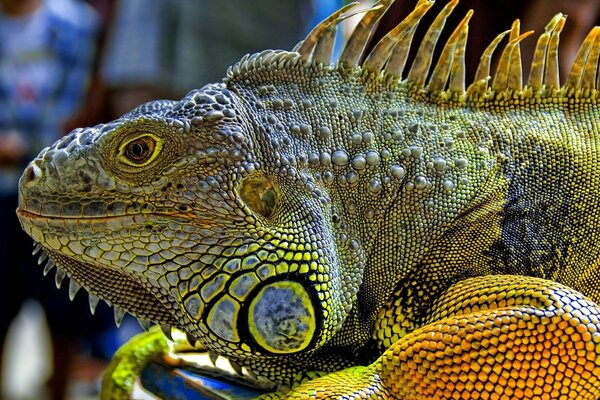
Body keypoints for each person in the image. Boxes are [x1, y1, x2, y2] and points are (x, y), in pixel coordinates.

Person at [0, 0, 103, 398]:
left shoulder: (80, 25)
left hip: (62, 201)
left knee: (64, 311)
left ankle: (58, 391)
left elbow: (93, 94)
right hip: (3, 192)